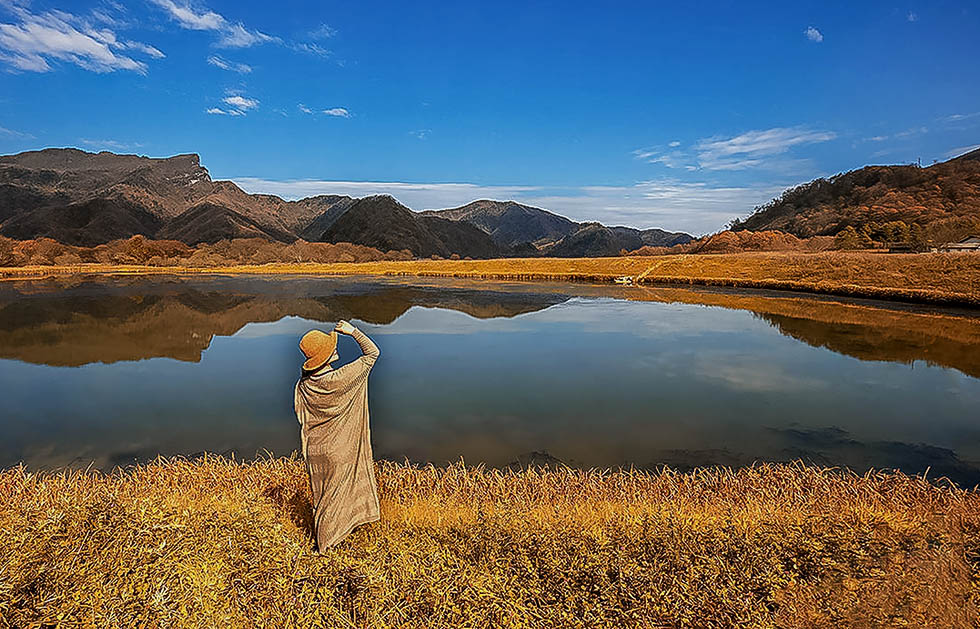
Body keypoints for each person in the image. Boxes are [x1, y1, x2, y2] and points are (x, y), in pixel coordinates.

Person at [294, 319, 381, 551]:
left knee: (323, 498)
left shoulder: (305, 385)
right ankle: (325, 545)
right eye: (332, 347)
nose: (336, 349)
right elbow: (372, 354)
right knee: (334, 499)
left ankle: (329, 539)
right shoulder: (340, 379)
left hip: (317, 450)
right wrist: (353, 331)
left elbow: (302, 413)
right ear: (328, 355)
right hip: (339, 448)